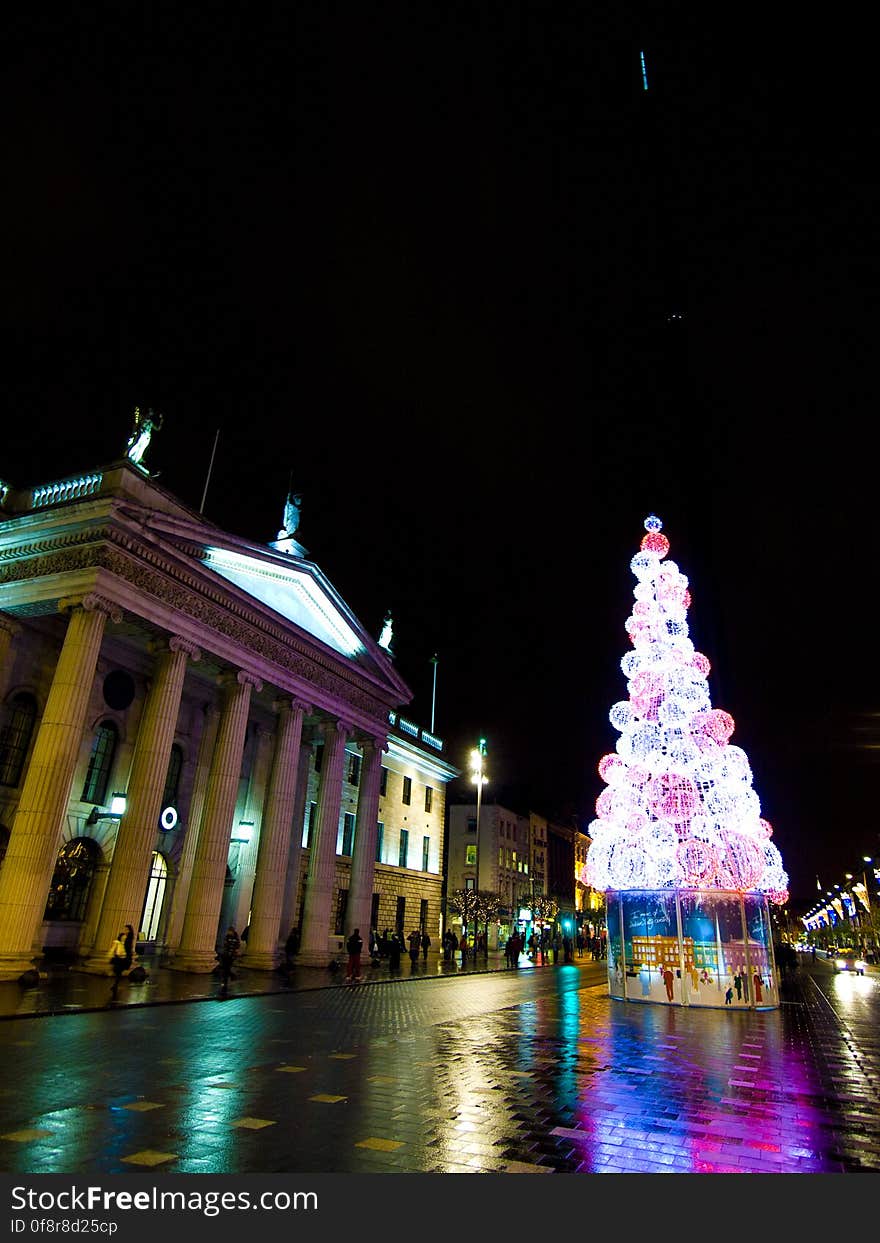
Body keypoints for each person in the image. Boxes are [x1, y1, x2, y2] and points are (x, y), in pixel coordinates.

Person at [109, 932, 127, 999]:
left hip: (122, 959)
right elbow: (113, 950)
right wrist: (109, 955)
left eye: (125, 937)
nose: (124, 938)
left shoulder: (124, 944)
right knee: (117, 972)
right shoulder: (117, 942)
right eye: (123, 937)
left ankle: (115, 985)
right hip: (117, 958)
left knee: (119, 973)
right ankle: (115, 985)